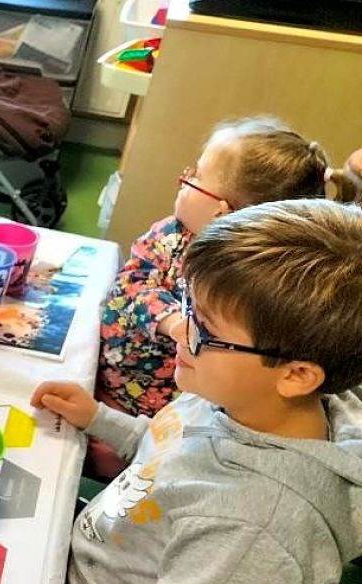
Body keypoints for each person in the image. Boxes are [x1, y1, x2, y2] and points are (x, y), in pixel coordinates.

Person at [33, 199, 362, 584]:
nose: (182, 333)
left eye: (204, 329)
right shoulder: (240, 398)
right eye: (189, 307)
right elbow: (167, 448)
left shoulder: (253, 527)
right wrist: (99, 418)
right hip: (92, 562)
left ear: (297, 375)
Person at [98, 117, 328, 419]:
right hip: (108, 372)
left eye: (196, 175)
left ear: (221, 213)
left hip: (156, 412)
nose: (184, 178)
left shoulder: (249, 284)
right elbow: (131, 284)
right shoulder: (173, 235)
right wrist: (173, 321)